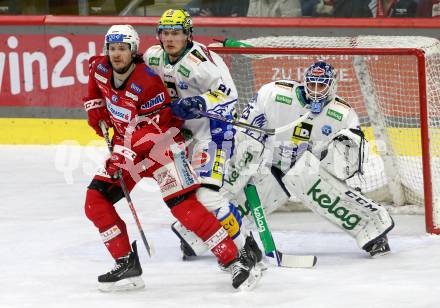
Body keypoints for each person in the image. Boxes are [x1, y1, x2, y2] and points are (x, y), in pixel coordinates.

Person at [83, 24, 256, 291]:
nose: (116, 54)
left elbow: (156, 129)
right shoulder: (100, 67)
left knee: (185, 207)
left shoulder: (148, 81)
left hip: (163, 147)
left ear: (133, 50)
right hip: (128, 149)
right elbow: (95, 88)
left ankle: (234, 259)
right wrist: (95, 110)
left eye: (123, 49)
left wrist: (123, 151)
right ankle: (126, 263)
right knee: (95, 200)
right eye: (112, 48)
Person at [220, 61, 395, 258]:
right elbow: (248, 125)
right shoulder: (275, 93)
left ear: (332, 86)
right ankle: (201, 234)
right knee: (240, 182)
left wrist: (340, 159)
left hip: (306, 168)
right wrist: (251, 149)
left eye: (322, 86)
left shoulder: (343, 114)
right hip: (269, 161)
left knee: (318, 186)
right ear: (304, 82)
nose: (316, 91)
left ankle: (374, 231)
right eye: (312, 84)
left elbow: (350, 156)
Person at [143, 9, 264, 276]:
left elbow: (229, 96)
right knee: (188, 197)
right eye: (165, 33)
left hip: (213, 134)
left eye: (176, 33)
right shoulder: (153, 56)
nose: (170, 38)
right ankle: (233, 242)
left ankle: (246, 246)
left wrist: (200, 102)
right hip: (182, 137)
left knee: (207, 196)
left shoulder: (199, 62)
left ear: (188, 35)